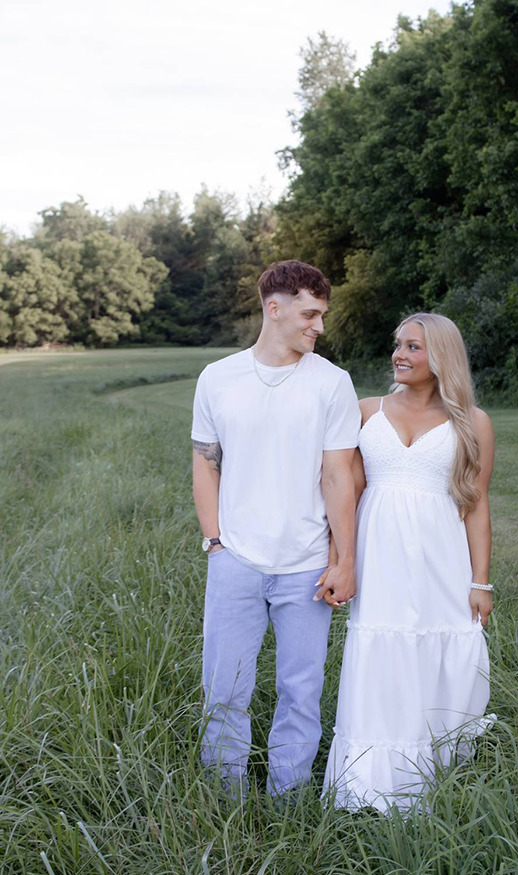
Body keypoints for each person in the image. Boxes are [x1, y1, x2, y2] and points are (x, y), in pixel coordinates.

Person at [191, 260, 360, 798]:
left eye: (322, 315)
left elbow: (338, 475)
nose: (319, 326)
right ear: (275, 308)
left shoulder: (332, 383)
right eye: (311, 314)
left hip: (307, 566)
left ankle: (289, 799)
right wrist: (215, 542)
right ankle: (225, 799)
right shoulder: (217, 378)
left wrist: (345, 559)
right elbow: (205, 463)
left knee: (301, 690)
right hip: (235, 560)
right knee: (225, 690)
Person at [320, 312, 496, 812]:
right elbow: (346, 492)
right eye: (398, 344)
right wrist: (339, 560)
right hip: (380, 556)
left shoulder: (473, 422)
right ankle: (372, 789)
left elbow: (476, 503)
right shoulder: (365, 411)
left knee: (442, 653)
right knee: (381, 652)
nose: (399, 354)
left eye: (413, 347)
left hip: (441, 556)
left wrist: (481, 582)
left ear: (440, 356)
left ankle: (436, 774)